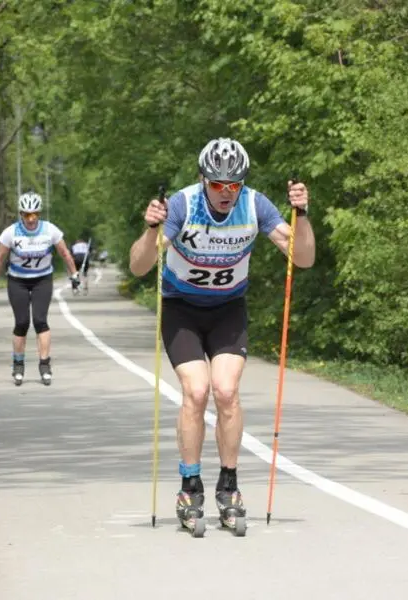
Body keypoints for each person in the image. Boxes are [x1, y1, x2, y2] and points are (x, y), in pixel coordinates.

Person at [128, 137, 316, 529]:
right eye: (217, 184)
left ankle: (228, 485)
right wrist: (150, 229)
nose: (226, 193)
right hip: (182, 309)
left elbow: (303, 258)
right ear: (203, 180)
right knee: (196, 392)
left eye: (234, 184)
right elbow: (139, 267)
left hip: (228, 309)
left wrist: (303, 215)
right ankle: (189, 485)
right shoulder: (182, 204)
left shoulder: (254, 204)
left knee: (226, 391)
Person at [0, 192, 81, 386]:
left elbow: (64, 253)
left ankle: (44, 365)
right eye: (27, 215)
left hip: (42, 280)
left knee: (39, 320)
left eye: (34, 214)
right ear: (21, 214)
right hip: (17, 280)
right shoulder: (10, 233)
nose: (31, 219)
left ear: (39, 213)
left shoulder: (49, 230)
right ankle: (18, 365)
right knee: (21, 323)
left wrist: (74, 275)